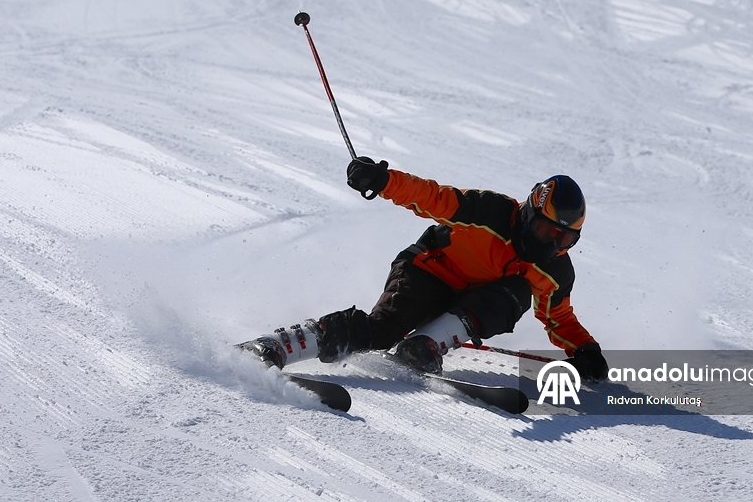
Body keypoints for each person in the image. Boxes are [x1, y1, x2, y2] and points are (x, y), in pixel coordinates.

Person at [249, 157, 608, 381]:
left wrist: (586, 351)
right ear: (530, 214)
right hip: (427, 271)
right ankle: (280, 346)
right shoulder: (491, 213)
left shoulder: (554, 270)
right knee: (381, 332)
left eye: (564, 240)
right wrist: (384, 181)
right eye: (548, 231)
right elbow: (432, 197)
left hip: (469, 301)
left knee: (516, 294)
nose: (552, 245)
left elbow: (558, 318)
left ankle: (424, 346)